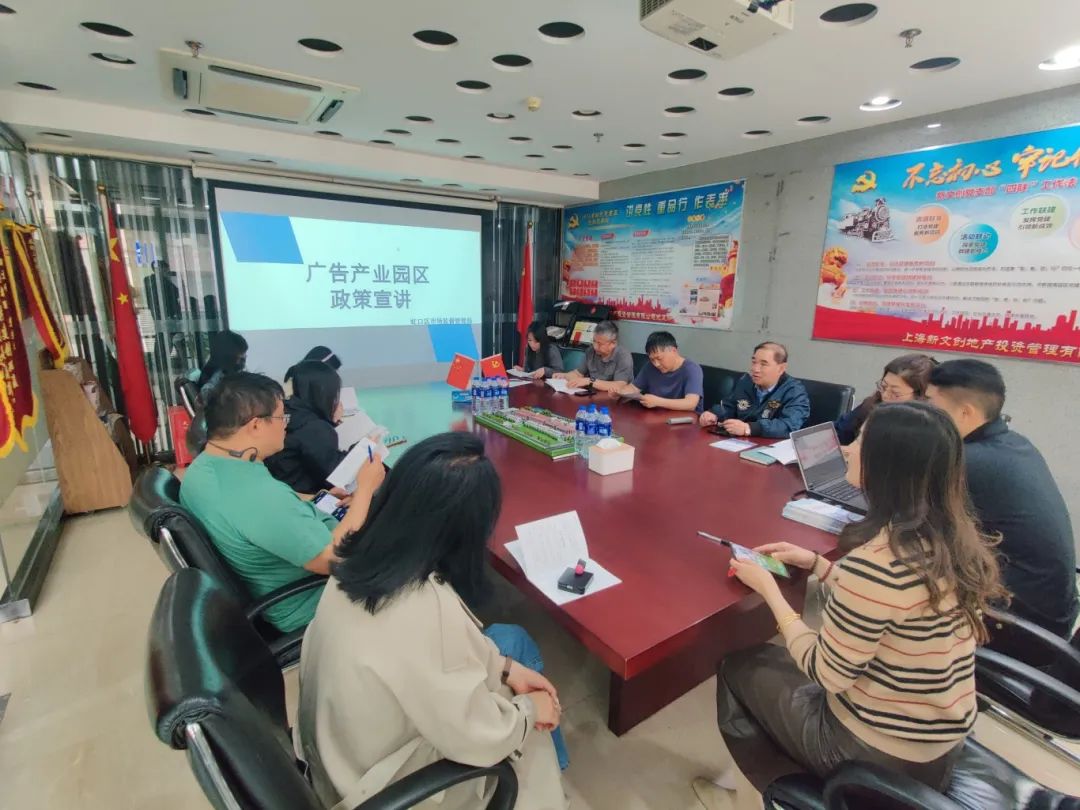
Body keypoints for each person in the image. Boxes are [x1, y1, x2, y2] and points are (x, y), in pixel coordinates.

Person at [693, 402, 1007, 808]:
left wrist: (770, 591)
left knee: (739, 666)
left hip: (877, 755)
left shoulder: (875, 563)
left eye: (859, 441)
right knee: (772, 665)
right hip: (939, 743)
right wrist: (818, 565)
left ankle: (752, 798)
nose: (845, 448)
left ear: (886, 467)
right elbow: (896, 604)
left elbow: (826, 673)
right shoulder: (952, 540)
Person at [297, 433, 568, 810]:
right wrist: (530, 712)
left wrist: (504, 667)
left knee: (510, 649)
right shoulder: (422, 609)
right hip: (383, 788)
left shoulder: (361, 559)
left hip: (338, 757)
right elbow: (478, 735)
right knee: (529, 733)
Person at [180, 372, 385, 632]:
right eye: (281, 418)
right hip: (316, 602)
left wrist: (317, 498)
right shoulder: (257, 496)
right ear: (255, 426)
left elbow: (272, 508)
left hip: (291, 570)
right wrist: (365, 489)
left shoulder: (206, 467)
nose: (285, 426)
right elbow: (332, 558)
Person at [926, 359, 1079, 642]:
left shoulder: (969, 462)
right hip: (1054, 612)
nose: (926, 414)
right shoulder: (1015, 443)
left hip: (1016, 625)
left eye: (932, 405)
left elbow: (915, 525)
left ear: (965, 411)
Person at [266, 361, 350, 495]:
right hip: (304, 498)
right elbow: (336, 475)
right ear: (325, 393)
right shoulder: (315, 427)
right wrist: (362, 448)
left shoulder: (283, 412)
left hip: (279, 492)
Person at [699, 342, 809, 437]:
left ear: (781, 368)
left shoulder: (794, 391)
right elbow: (729, 405)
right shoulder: (746, 381)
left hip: (769, 447)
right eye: (754, 362)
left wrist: (749, 428)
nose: (755, 369)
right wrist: (714, 414)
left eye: (763, 364)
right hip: (740, 442)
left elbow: (789, 425)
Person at [835, 353, 937, 444]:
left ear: (920, 396)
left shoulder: (925, 428)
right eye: (883, 386)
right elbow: (838, 433)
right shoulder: (871, 404)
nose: (885, 395)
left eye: (895, 393)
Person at [614, 331, 704, 412]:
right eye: (652, 359)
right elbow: (633, 388)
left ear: (674, 351)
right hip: (657, 416)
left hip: (685, 420)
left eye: (659, 358)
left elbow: (691, 404)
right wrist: (619, 393)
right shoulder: (650, 367)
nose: (656, 364)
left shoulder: (692, 369)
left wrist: (658, 402)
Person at [554, 320, 633, 392]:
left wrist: (590, 381)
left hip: (615, 399)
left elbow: (619, 386)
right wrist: (565, 376)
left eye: (600, 344)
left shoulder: (623, 356)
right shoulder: (591, 351)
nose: (595, 346)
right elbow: (578, 374)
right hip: (592, 395)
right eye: (594, 341)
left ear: (613, 343)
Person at [196, 330, 248, 402]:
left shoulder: (214, 370)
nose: (244, 356)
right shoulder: (220, 373)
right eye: (241, 353)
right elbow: (205, 392)